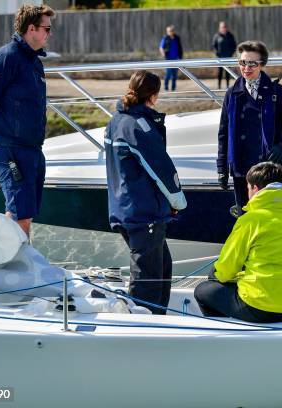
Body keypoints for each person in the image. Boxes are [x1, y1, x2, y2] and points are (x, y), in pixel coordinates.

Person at [104, 70, 187, 315]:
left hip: (127, 209)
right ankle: (144, 325)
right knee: (148, 278)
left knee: (161, 267)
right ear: (153, 95)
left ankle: (156, 318)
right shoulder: (139, 126)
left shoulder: (116, 120)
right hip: (144, 212)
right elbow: (160, 168)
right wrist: (178, 201)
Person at [0, 4, 55, 238]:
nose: (50, 33)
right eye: (46, 28)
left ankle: (19, 266)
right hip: (10, 147)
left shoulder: (34, 62)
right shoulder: (7, 57)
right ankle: (15, 269)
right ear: (31, 29)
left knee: (25, 213)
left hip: (31, 147)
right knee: (20, 215)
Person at [194, 162, 282, 323]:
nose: (247, 192)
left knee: (203, 290)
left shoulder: (250, 221)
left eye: (248, 187)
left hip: (260, 307)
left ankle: (227, 337)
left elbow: (227, 268)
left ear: (255, 189)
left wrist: (215, 276)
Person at [217, 40, 282, 216]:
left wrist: (281, 145)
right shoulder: (231, 93)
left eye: (252, 63)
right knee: (245, 219)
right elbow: (223, 134)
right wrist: (221, 169)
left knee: (271, 218)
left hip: (267, 170)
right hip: (240, 169)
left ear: (262, 64)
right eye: (242, 62)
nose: (246, 68)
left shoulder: (276, 91)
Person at [212, 21, 237, 89]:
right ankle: (219, 86)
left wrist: (231, 53)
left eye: (225, 27)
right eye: (222, 27)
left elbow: (234, 46)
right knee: (220, 72)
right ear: (220, 28)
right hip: (219, 58)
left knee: (228, 73)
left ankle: (227, 86)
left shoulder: (230, 35)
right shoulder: (216, 36)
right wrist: (217, 53)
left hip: (228, 58)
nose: (224, 28)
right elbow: (214, 46)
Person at [159, 25, 183, 92]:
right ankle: (166, 87)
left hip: (176, 59)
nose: (170, 32)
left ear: (173, 31)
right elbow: (161, 47)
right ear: (167, 32)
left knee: (175, 74)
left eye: (171, 31)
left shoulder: (177, 38)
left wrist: (180, 57)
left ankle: (173, 88)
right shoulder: (165, 38)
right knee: (168, 74)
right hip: (168, 59)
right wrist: (163, 53)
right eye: (169, 31)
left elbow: (180, 47)